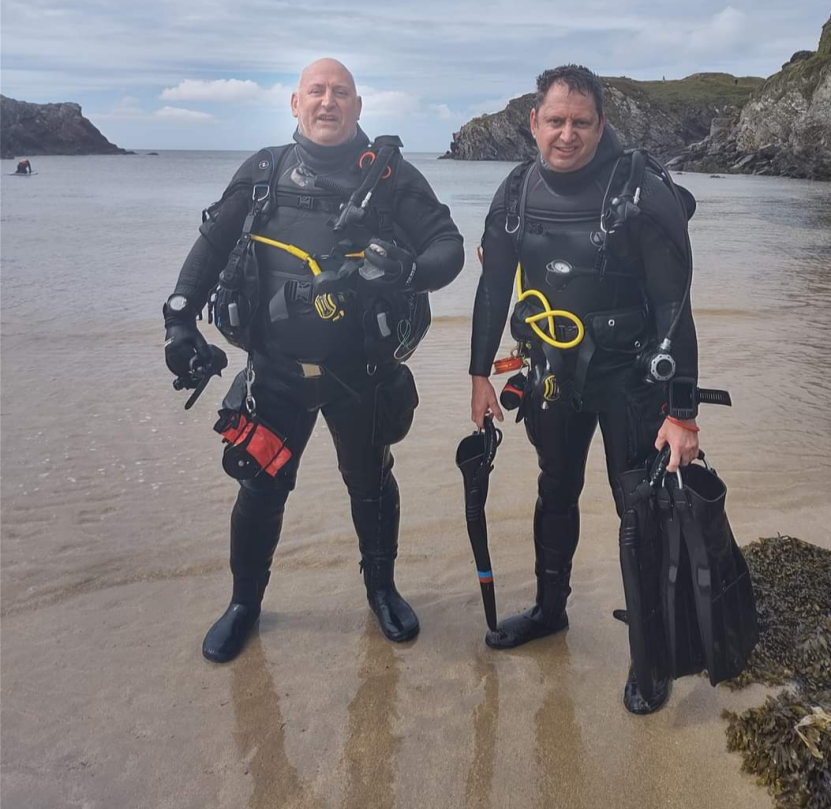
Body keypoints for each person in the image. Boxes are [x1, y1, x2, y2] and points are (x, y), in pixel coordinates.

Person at [164, 58, 464, 663]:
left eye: (342, 93)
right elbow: (212, 244)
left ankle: (381, 590)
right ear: (295, 103)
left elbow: (448, 247)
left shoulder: (390, 176)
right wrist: (177, 319)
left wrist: (409, 269)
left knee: (371, 485)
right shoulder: (264, 171)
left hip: (362, 374)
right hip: (275, 373)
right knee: (260, 488)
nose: (329, 102)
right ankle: (245, 603)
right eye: (317, 92)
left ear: (358, 106)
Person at [469, 64, 699, 715]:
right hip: (550, 377)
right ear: (533, 123)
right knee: (553, 489)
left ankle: (651, 652)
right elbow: (492, 288)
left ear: (600, 124)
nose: (566, 134)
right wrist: (478, 372)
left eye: (580, 121)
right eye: (554, 120)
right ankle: (549, 610)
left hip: (629, 381)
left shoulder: (641, 193)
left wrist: (681, 413)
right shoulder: (515, 191)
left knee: (639, 509)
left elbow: (675, 309)